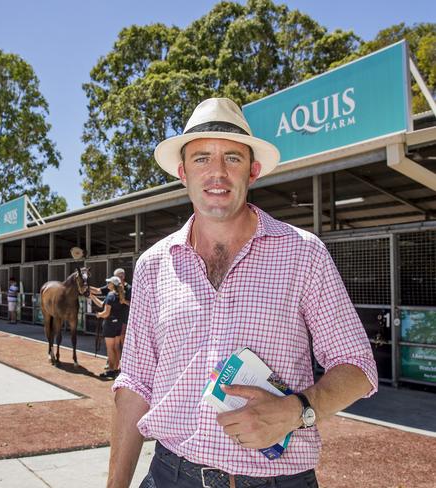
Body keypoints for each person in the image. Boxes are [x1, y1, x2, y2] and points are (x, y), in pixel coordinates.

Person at [107, 98, 377, 488]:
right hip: (170, 475)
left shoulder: (303, 253)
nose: (217, 172)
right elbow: (135, 383)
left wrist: (297, 410)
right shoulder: (153, 265)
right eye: (202, 159)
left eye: (232, 158)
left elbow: (358, 367)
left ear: (252, 171)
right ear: (183, 172)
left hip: (277, 482)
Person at [90, 276, 125, 379]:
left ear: (112, 285)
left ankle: (111, 370)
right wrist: (92, 296)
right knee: (116, 347)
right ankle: (117, 369)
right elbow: (102, 304)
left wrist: (99, 315)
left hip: (109, 325)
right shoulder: (120, 295)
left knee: (110, 349)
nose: (107, 284)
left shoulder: (110, 295)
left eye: (109, 283)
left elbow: (105, 313)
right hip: (118, 324)